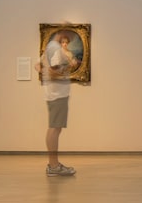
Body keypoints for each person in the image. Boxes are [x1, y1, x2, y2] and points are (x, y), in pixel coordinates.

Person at [38, 31, 77, 176]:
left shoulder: (50, 48)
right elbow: (53, 72)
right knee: (54, 129)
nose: (67, 42)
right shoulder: (56, 50)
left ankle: (53, 165)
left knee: (55, 128)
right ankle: (53, 166)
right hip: (57, 94)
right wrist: (67, 68)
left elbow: (38, 66)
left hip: (54, 94)